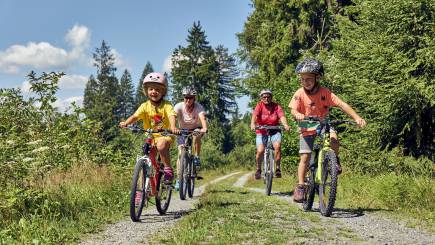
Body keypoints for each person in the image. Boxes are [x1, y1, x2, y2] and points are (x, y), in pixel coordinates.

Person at [289, 58, 367, 202]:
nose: (305, 82)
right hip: (307, 125)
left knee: (334, 139)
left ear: (317, 78)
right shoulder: (299, 93)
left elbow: (342, 104)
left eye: (309, 79)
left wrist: (357, 117)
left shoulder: (325, 93)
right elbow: (293, 109)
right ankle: (300, 185)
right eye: (303, 79)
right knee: (305, 157)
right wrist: (297, 114)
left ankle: (334, 161)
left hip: (323, 123)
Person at [119, 72, 179, 183]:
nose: (154, 92)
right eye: (151, 89)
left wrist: (173, 127)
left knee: (161, 145)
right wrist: (126, 123)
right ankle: (140, 191)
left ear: (163, 92)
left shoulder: (167, 105)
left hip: (165, 136)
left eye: (157, 90)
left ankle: (168, 169)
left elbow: (171, 115)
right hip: (151, 137)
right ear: (146, 90)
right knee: (146, 159)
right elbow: (135, 116)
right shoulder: (145, 106)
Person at [250, 89, 290, 180]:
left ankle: (278, 168)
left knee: (277, 146)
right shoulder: (259, 106)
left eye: (268, 97)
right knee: (260, 150)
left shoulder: (276, 106)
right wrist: (252, 124)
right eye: (264, 97)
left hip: (275, 130)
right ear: (261, 98)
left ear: (271, 97)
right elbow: (255, 116)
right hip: (262, 131)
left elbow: (282, 116)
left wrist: (285, 125)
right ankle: (258, 169)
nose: (266, 98)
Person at [174, 86, 208, 190]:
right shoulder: (179, 106)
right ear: (183, 98)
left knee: (196, 135)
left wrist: (204, 128)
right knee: (180, 154)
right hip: (182, 130)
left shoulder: (199, 107)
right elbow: (173, 116)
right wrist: (172, 127)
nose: (188, 100)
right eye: (186, 97)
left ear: (194, 98)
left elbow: (202, 118)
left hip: (196, 128)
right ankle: (179, 179)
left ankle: (197, 156)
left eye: (190, 97)